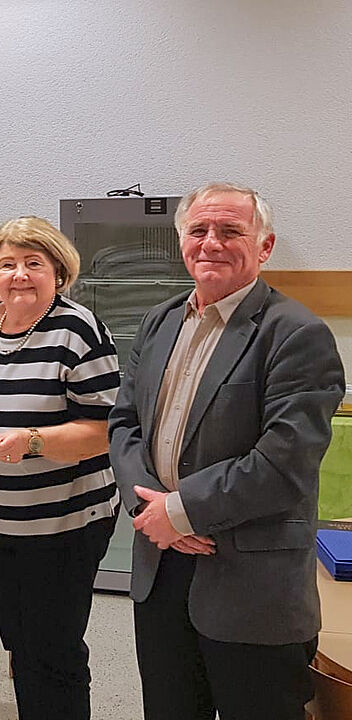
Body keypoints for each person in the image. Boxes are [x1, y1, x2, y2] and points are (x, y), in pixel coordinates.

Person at [109, 183, 344, 720]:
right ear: (182, 243)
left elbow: (285, 461)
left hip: (252, 589)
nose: (210, 242)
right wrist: (150, 510)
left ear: (264, 247)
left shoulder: (297, 334)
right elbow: (125, 423)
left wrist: (181, 509)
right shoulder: (160, 320)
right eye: (198, 231)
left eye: (230, 231)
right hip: (162, 570)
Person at [0, 216, 119, 720]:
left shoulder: (77, 328)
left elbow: (107, 428)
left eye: (33, 264)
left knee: (55, 648)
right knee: (21, 645)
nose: (19, 275)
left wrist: (34, 442)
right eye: (7, 265)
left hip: (66, 520)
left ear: (58, 273)